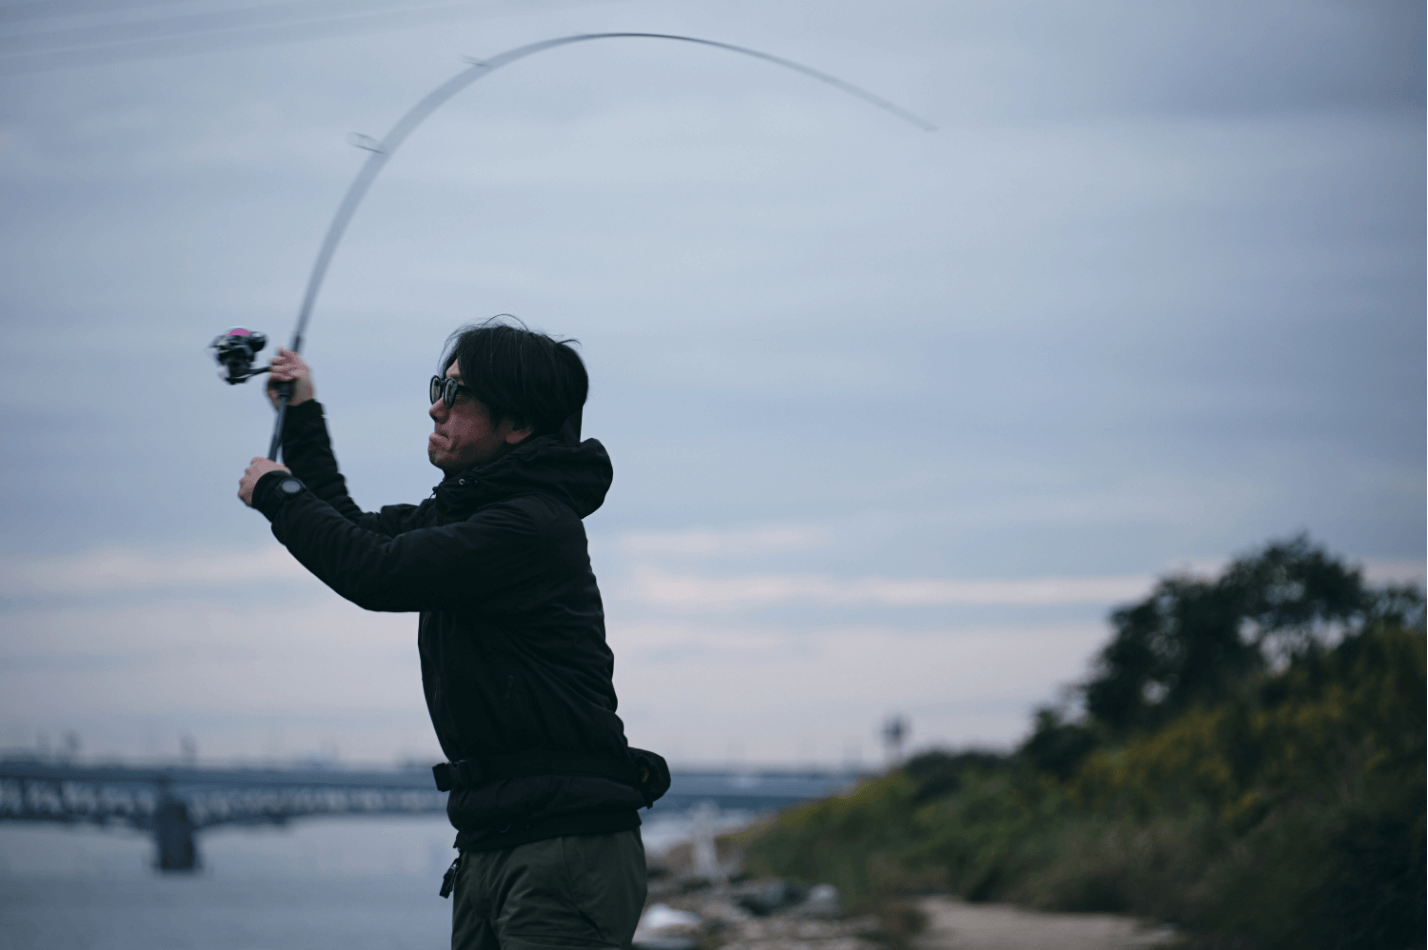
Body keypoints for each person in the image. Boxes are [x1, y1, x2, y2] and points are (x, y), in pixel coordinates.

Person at [237, 320, 663, 949]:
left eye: (458, 394)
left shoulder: (529, 528)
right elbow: (352, 531)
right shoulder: (471, 516)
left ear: (516, 424)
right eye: (440, 385)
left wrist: (278, 493)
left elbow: (375, 575)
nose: (436, 405)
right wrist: (301, 417)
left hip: (562, 849)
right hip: (497, 838)